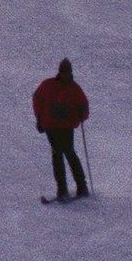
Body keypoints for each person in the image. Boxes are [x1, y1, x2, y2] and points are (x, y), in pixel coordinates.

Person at [32, 59, 90, 201]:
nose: (65, 75)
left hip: (66, 126)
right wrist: (39, 118)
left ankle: (81, 186)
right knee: (58, 154)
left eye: (67, 72)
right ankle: (62, 189)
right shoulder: (48, 85)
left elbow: (84, 105)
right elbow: (37, 99)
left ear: (70, 73)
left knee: (69, 153)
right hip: (51, 126)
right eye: (63, 72)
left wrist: (82, 113)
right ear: (60, 72)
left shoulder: (75, 89)